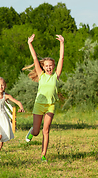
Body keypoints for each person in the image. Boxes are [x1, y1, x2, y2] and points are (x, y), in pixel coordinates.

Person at [22, 33, 64, 162]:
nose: (49, 67)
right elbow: (35, 57)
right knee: (37, 131)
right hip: (39, 105)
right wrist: (30, 43)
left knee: (46, 130)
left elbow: (61, 58)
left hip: (50, 105)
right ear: (43, 67)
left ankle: (43, 155)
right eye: (46, 66)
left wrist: (62, 43)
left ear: (53, 66)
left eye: (51, 65)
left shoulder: (56, 75)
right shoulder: (41, 75)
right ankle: (31, 132)